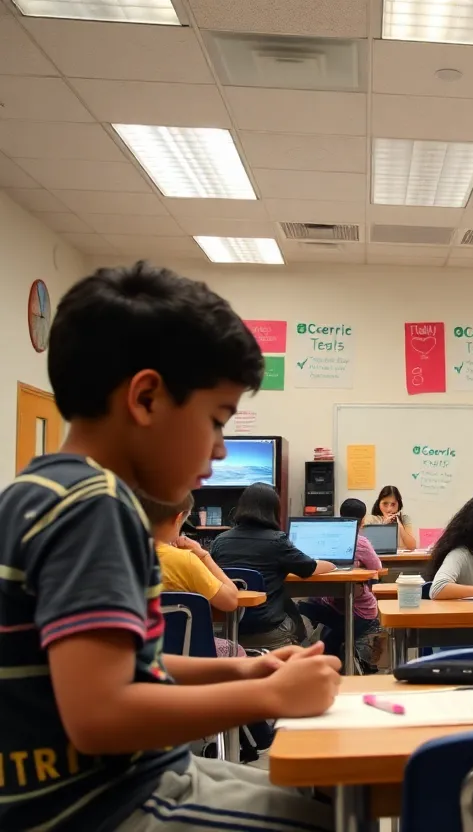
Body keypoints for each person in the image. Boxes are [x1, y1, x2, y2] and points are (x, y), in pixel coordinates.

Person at [0, 261, 340, 832]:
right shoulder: (95, 507)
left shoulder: (38, 492)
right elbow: (101, 715)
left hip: (115, 783)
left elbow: (134, 667)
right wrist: (270, 698)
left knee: (323, 796)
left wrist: (250, 672)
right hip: (102, 804)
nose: (221, 450)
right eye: (216, 420)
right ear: (147, 399)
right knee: (332, 817)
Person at [210, 482, 335, 650]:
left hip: (228, 629)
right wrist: (332, 565)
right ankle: (301, 653)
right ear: (274, 510)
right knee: (297, 612)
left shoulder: (220, 541)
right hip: (268, 630)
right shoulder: (277, 541)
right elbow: (309, 568)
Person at [141, 491, 244, 657]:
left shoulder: (117, 557)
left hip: (132, 656)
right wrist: (204, 555)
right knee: (236, 650)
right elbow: (230, 601)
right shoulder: (185, 561)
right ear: (177, 518)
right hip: (186, 655)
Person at [298, 498, 383, 666]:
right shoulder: (361, 541)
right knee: (324, 633)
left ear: (340, 515)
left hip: (354, 613)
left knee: (301, 608)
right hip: (354, 609)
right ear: (363, 520)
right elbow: (377, 567)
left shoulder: (328, 537)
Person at [364, 484, 418, 550]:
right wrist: (384, 526)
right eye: (385, 503)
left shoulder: (404, 519)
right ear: (379, 503)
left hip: (401, 556)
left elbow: (412, 546)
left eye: (393, 504)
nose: (389, 509)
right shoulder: (370, 519)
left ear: (399, 504)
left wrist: (400, 526)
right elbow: (368, 547)